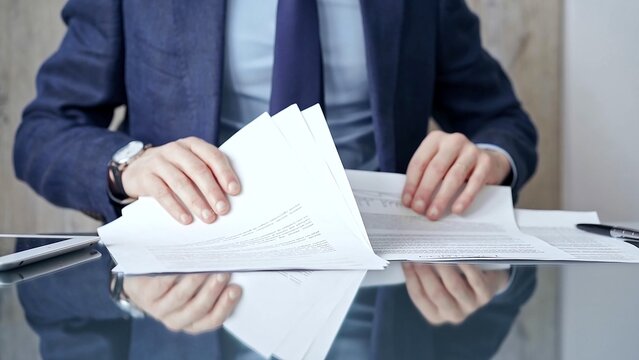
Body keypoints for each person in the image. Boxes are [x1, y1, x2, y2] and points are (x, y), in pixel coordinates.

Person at [13, 0, 538, 359]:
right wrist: (128, 166)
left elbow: (504, 122)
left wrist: (488, 158)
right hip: (185, 290)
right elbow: (42, 133)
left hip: (386, 281)